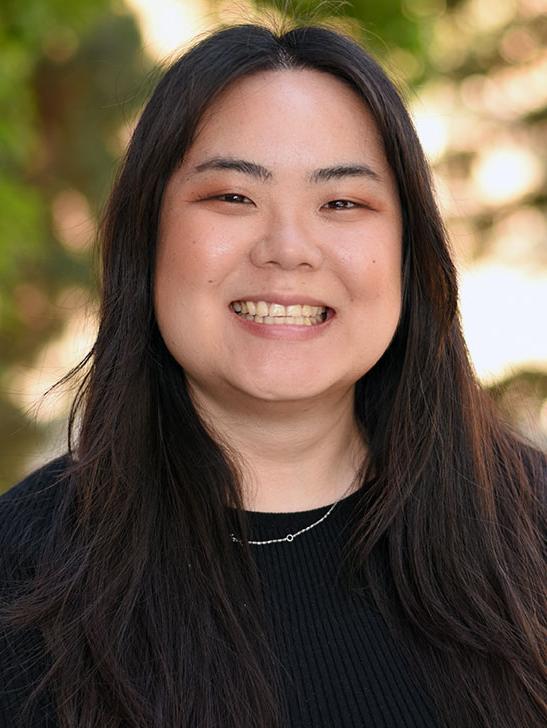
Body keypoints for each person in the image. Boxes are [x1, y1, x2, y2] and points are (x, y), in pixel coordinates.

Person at [1, 18, 545, 728]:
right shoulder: (21, 580)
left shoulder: (529, 540)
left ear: (411, 257)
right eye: (232, 197)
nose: (288, 250)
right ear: (147, 238)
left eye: (342, 203)